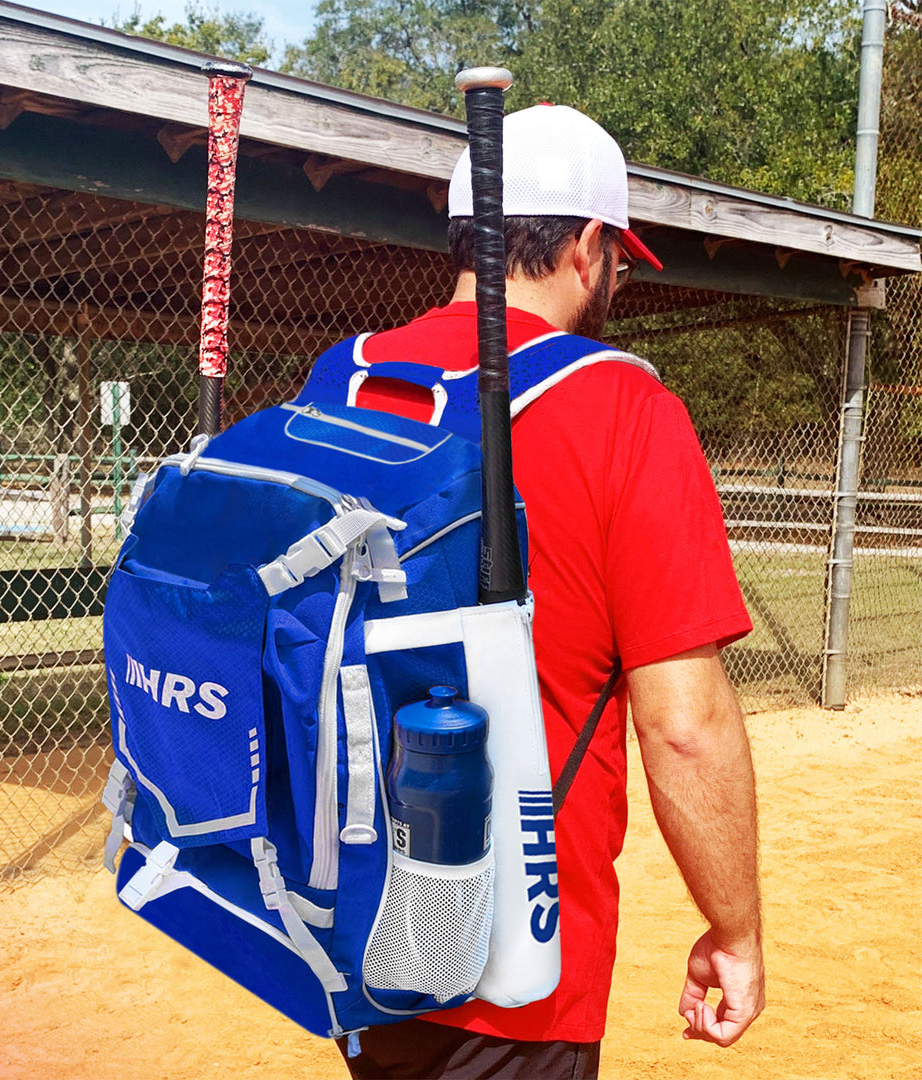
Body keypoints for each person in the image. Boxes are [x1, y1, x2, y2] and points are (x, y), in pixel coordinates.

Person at [328, 104, 765, 1078]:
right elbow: (684, 725)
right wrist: (735, 929)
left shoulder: (346, 379)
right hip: (521, 961)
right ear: (587, 246)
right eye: (615, 257)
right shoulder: (626, 409)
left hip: (352, 911)